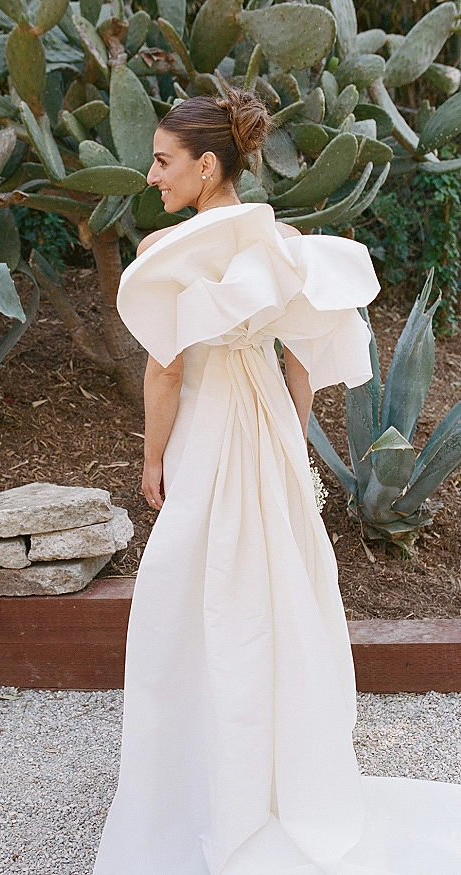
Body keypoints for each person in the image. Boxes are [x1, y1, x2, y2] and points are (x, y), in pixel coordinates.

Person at [92, 89, 461, 875]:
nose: (151, 176)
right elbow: (303, 354)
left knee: (196, 590)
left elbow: (164, 370)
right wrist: (291, 435)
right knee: (276, 589)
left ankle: (199, 784)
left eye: (163, 161)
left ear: (207, 164)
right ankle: (278, 778)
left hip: (209, 425)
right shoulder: (278, 243)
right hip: (262, 424)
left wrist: (153, 458)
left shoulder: (174, 250)